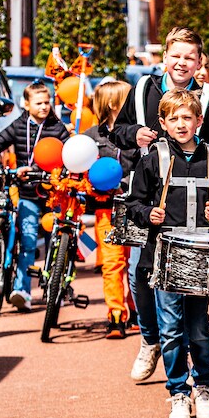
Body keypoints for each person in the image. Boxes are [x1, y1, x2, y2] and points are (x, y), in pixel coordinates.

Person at [109, 27, 209, 384]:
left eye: (190, 57)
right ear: (165, 57)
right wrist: (134, 135)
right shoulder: (142, 90)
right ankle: (151, 340)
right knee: (141, 272)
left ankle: (184, 357)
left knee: (192, 282)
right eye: (176, 55)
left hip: (193, 202)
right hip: (146, 197)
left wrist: (204, 167)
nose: (182, 62)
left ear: (200, 62)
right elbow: (116, 132)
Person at [126, 89, 209, 418]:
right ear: (162, 122)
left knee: (199, 327)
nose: (180, 123)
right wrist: (148, 214)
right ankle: (178, 392)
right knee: (171, 328)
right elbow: (133, 204)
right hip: (165, 254)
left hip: (201, 254)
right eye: (173, 118)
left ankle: (203, 386)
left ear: (199, 121)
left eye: (187, 117)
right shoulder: (152, 158)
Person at [0, 81, 69, 311]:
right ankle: (22, 291)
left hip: (51, 192)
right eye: (38, 103)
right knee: (28, 240)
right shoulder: (19, 126)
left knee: (55, 240)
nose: (44, 107)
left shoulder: (57, 128)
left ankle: (55, 280)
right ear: (27, 104)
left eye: (47, 102)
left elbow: (68, 154)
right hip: (28, 193)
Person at [86, 79, 134, 338]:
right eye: (128, 97)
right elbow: (80, 165)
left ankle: (137, 308)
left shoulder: (138, 134)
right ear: (114, 103)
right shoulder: (92, 136)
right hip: (107, 209)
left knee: (136, 264)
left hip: (136, 208)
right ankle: (116, 314)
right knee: (113, 263)